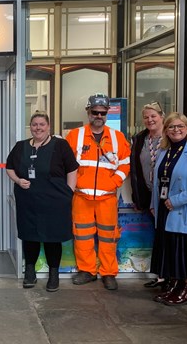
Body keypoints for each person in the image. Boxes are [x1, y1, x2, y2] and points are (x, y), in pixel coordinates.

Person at [65, 94, 131, 290]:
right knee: (82, 236)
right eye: (95, 112)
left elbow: (126, 163)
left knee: (108, 237)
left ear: (107, 114)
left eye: (103, 113)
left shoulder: (117, 137)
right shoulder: (74, 136)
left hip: (107, 198)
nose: (99, 116)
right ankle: (87, 271)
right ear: (88, 112)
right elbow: (65, 164)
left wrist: (113, 182)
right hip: (81, 197)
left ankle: (108, 273)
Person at [6, 112, 78, 291]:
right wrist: (17, 180)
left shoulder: (60, 145)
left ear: (48, 126)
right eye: (35, 124)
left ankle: (54, 275)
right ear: (30, 127)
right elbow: (9, 167)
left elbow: (72, 169)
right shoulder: (21, 146)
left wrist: (69, 192)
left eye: (42, 124)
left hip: (55, 202)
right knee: (29, 236)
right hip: (28, 201)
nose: (38, 128)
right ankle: (30, 272)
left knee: (53, 238)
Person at [150, 113, 187, 306]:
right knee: (173, 250)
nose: (176, 130)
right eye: (171, 127)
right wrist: (154, 204)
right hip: (165, 210)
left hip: (184, 209)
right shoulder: (163, 152)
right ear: (166, 131)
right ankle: (175, 285)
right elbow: (158, 182)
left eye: (180, 126)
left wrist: (176, 200)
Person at [129, 102, 166, 288]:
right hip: (150, 195)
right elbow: (135, 170)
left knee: (170, 236)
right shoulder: (140, 139)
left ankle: (174, 277)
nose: (150, 120)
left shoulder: (170, 136)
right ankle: (161, 276)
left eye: (153, 116)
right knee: (158, 236)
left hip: (167, 197)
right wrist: (138, 197)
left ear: (162, 116)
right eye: (146, 117)